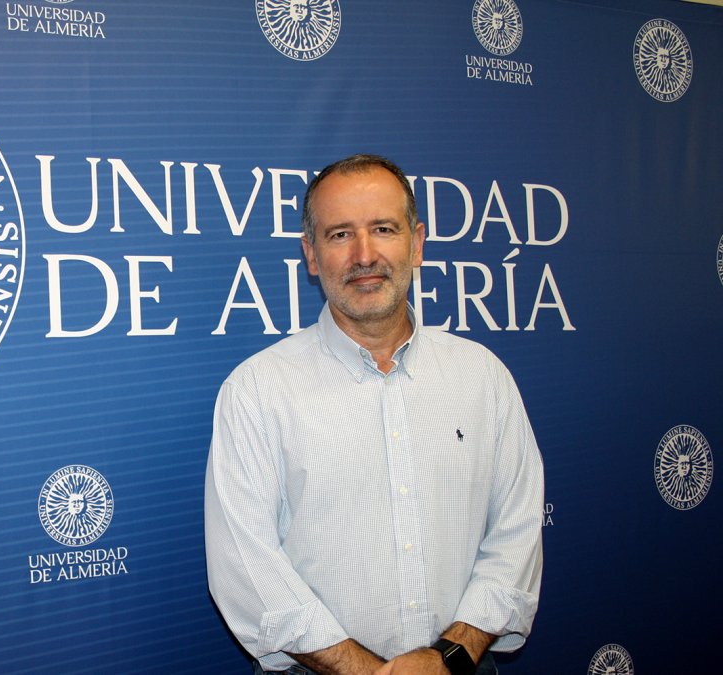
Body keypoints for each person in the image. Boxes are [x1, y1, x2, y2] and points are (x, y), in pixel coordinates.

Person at [204, 154, 543, 675]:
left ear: (417, 243)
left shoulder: (483, 377)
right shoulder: (256, 390)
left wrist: (450, 655)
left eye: (383, 229)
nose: (364, 255)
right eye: (340, 235)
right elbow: (248, 567)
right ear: (311, 255)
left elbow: (516, 534)